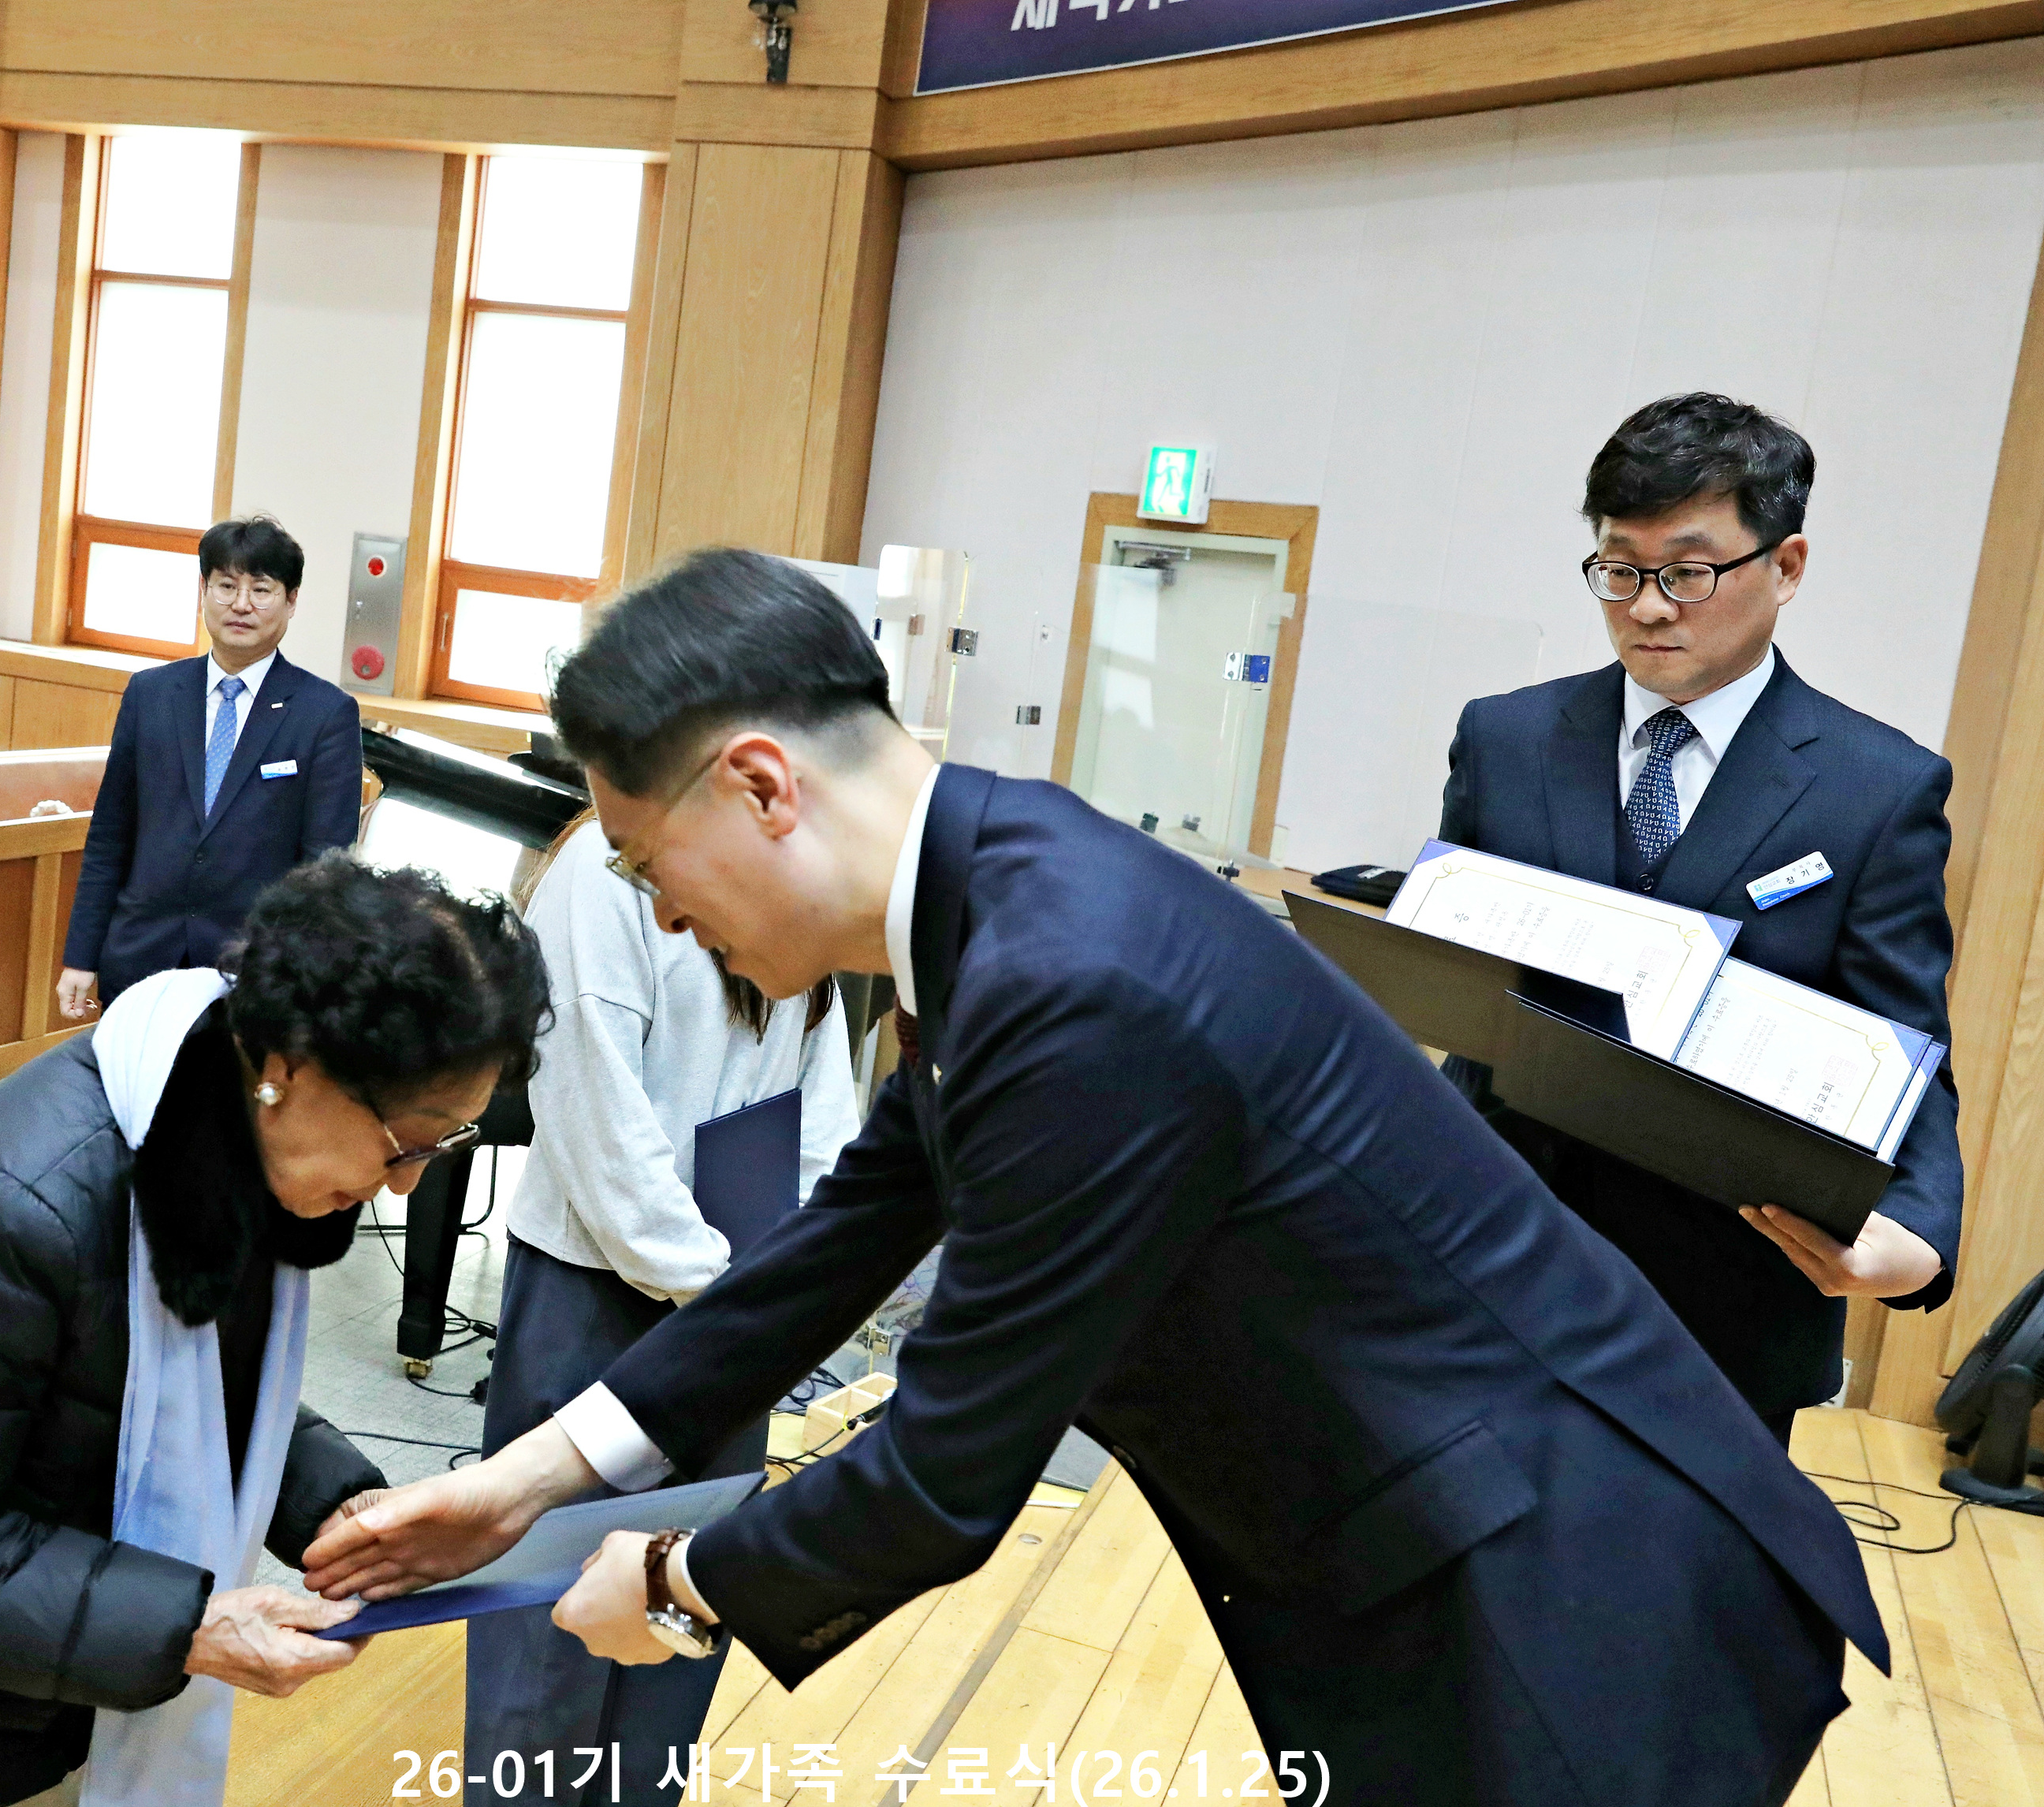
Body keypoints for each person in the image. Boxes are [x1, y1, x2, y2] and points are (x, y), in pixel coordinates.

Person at [305, 549, 1886, 1807]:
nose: (657, 915)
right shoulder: (996, 892)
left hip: (1569, 1591)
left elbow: (944, 1473)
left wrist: (678, 1583)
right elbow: (847, 1235)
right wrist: (529, 1481)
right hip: (1459, 1547)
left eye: (649, 865)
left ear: (764, 787)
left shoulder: (1070, 983)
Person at [0, 855, 553, 1807]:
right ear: (291, 1068)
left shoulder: (218, 1122)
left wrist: (332, 1502)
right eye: (407, 1142)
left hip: (24, 1679)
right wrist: (187, 1630)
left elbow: (175, 1386)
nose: (408, 1184)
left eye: (444, 1146)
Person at [1435, 393, 1960, 1447]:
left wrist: (1916, 1232)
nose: (1647, 608)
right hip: (1493, 1267)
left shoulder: (1876, 789)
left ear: (1787, 566)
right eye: (1619, 570)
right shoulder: (1506, 739)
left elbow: (1904, 1046)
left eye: (1687, 572)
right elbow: (1463, 989)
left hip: (1725, 1302)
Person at [460, 809, 859, 1803]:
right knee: (548, 1639)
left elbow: (827, 1112)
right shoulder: (600, 874)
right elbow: (602, 1135)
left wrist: (788, 1286)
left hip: (739, 1307)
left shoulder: (788, 872)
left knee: (679, 1621)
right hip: (598, 1295)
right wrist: (743, 1298)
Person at [58, 516, 361, 1018]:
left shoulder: (325, 714)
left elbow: (325, 870)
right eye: (226, 586)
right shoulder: (150, 694)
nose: (241, 605)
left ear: (291, 600)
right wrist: (80, 955)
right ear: (204, 590)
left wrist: (303, 982)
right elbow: (110, 837)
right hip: (140, 959)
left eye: (261, 590)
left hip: (255, 975)